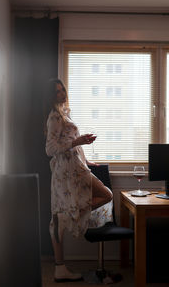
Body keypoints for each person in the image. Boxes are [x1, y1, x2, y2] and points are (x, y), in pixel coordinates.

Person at [45, 79, 113, 282]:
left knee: (59, 218)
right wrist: (78, 141)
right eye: (56, 92)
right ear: (50, 96)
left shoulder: (64, 113)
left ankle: (72, 215)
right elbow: (50, 150)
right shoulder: (55, 117)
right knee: (58, 219)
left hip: (77, 168)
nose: (61, 93)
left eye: (62, 89)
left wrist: (87, 158)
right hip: (67, 174)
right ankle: (60, 268)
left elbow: (70, 145)